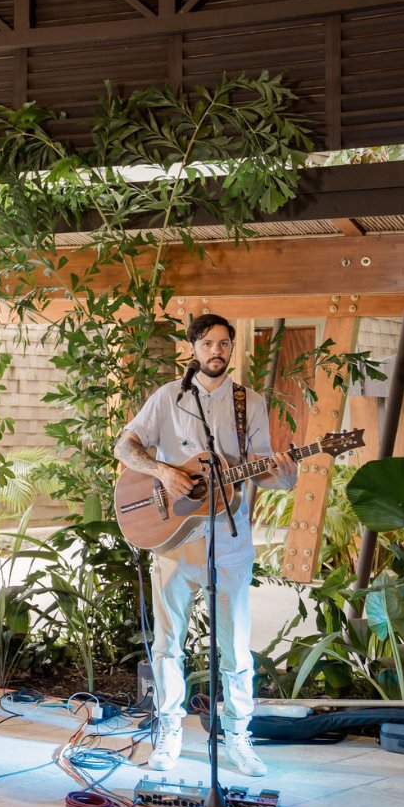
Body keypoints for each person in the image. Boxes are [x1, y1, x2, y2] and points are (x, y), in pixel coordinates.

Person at [114, 311, 294, 779]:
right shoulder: (167, 398)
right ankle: (169, 729)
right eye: (209, 343)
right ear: (193, 348)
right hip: (173, 539)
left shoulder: (248, 402)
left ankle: (238, 736)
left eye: (225, 344)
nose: (217, 350)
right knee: (168, 645)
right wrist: (162, 472)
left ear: (232, 350)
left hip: (230, 541)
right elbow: (125, 446)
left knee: (234, 648)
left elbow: (265, 470)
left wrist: (284, 471)